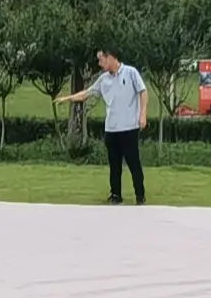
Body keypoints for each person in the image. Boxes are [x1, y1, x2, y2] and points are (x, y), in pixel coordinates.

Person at [57, 49, 150, 204]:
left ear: (110, 58)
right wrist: (68, 98)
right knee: (114, 165)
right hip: (111, 129)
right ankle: (115, 195)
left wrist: (142, 114)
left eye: (101, 60)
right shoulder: (103, 79)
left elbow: (143, 92)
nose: (99, 64)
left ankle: (140, 195)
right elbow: (87, 93)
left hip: (129, 127)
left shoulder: (130, 73)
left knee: (133, 163)